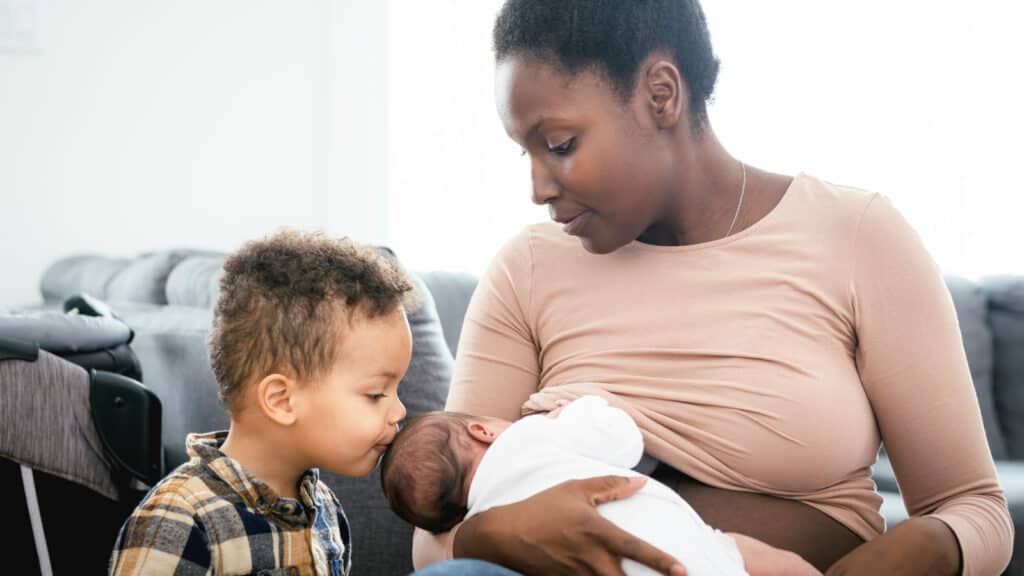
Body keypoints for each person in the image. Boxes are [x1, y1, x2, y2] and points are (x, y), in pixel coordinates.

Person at [413, 1, 1014, 575]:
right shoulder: (527, 269)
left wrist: (925, 550)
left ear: (661, 95)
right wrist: (492, 533)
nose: (538, 187)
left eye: (560, 145)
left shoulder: (858, 237)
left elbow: (974, 508)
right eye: (525, 153)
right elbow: (434, 526)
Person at [108, 231, 517, 576]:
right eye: (376, 394)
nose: (399, 412)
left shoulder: (325, 508)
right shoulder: (179, 521)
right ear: (282, 400)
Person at [384, 395, 756, 575]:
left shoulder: (488, 517)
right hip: (691, 548)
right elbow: (624, 441)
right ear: (483, 430)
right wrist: (575, 411)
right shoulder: (533, 433)